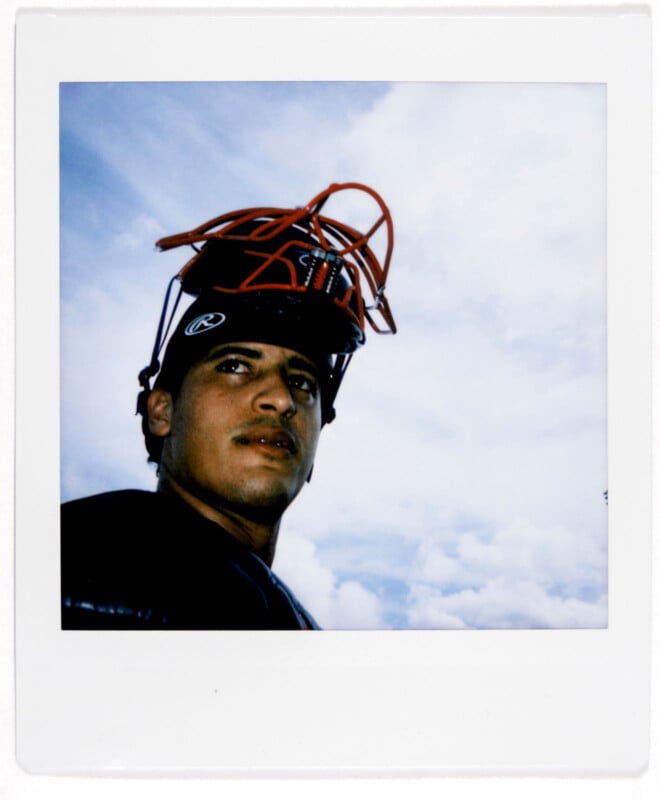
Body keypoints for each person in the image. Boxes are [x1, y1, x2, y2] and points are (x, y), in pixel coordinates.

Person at [61, 182, 396, 630]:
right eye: (235, 365)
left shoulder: (285, 618)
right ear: (161, 412)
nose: (280, 399)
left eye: (301, 381)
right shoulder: (78, 553)